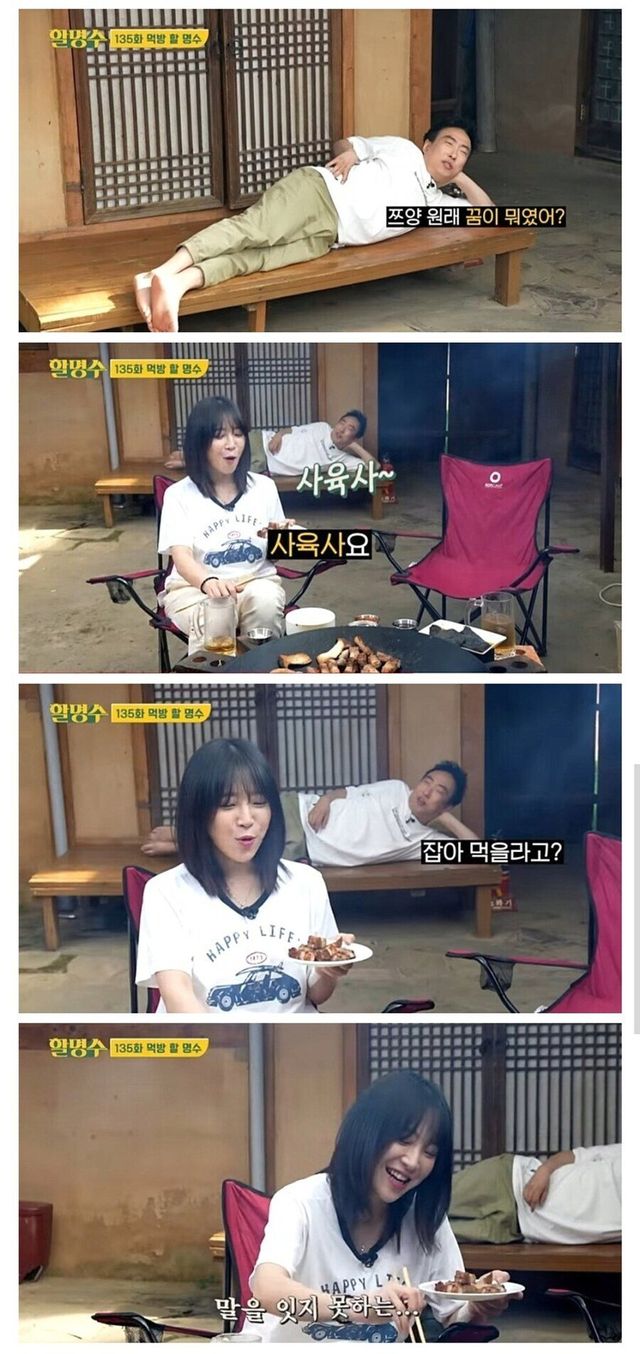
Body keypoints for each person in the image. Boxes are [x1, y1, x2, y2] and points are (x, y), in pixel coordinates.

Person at [134, 119, 492, 331]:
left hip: (331, 237)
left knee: (257, 259)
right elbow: (347, 144)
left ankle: (179, 283)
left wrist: (460, 178)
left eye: (463, 152)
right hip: (320, 192)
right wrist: (350, 152)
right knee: (251, 230)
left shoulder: (435, 204)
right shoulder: (405, 151)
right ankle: (158, 274)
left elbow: (490, 216)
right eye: (449, 143)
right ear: (427, 144)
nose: (454, 153)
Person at [250, 1070, 518, 1343]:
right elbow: (267, 1288)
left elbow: (451, 1314)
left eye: (429, 1152)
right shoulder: (301, 1202)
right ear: (366, 1131)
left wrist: (477, 1304)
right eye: (404, 1139)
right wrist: (362, 1307)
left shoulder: (425, 1219)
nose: (413, 1161)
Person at [135, 739, 353, 1015]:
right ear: (198, 813)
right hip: (209, 1038)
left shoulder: (307, 883)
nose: (247, 818)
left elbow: (314, 995)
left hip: (289, 1037)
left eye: (259, 802)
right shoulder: (165, 892)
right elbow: (179, 998)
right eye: (228, 805)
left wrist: (328, 971)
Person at [157, 395, 296, 653]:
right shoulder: (178, 494)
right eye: (219, 435)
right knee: (218, 612)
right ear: (200, 442)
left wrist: (283, 540)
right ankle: (217, 674)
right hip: (194, 589)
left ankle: (261, 668)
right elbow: (181, 555)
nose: (232, 444)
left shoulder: (264, 487)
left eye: (238, 434)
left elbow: (274, 556)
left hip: (256, 581)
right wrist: (207, 581)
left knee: (265, 602)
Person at [141, 761, 478, 866]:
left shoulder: (425, 842)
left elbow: (485, 854)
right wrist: (325, 801)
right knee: (243, 823)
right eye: (427, 782)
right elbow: (349, 792)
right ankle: (184, 835)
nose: (426, 791)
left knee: (245, 847)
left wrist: (445, 819)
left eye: (439, 792)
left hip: (306, 847)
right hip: (302, 809)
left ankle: (184, 841)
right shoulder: (396, 788)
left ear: (447, 805)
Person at [448, 1145, 621, 1247]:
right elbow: (574, 1155)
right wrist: (544, 1170)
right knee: (432, 1198)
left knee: (435, 1235)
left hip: (513, 1230)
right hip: (511, 1181)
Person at [264, 410, 374, 477]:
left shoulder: (343, 460)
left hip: (266, 465)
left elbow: (374, 466)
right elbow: (293, 430)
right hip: (264, 441)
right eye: (342, 423)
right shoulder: (322, 427)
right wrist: (278, 435)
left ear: (355, 437)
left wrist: (354, 446)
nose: (342, 429)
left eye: (350, 428)